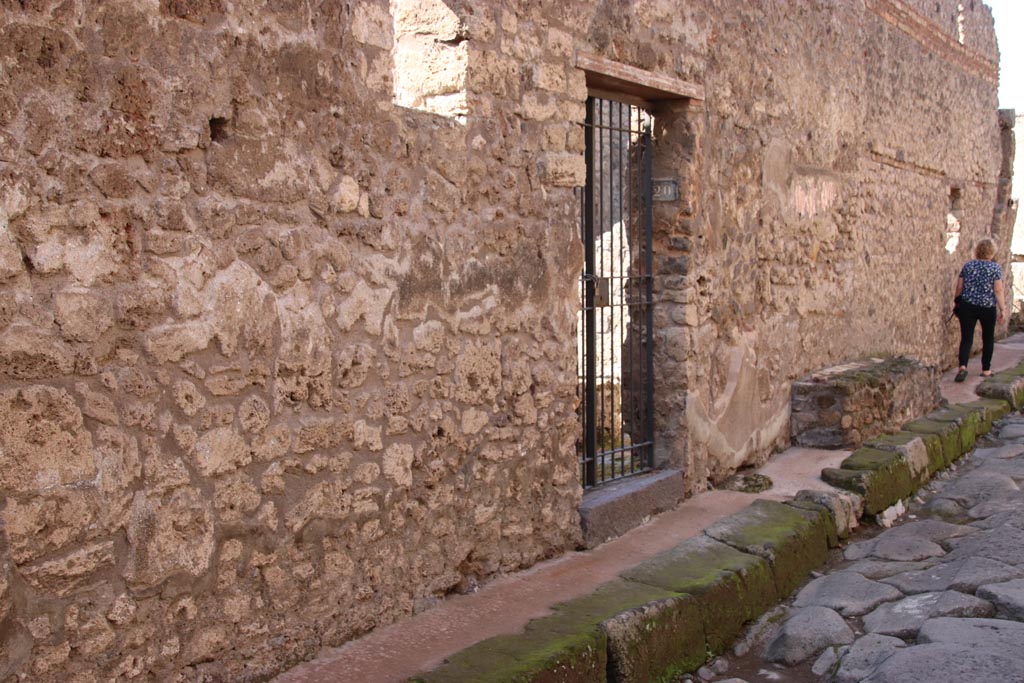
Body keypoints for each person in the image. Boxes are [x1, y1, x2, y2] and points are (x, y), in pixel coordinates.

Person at [953, 237, 1005, 382]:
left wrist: (957, 301)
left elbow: (959, 286)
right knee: (987, 338)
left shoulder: (968, 266)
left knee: (966, 338)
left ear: (977, 250)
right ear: (992, 252)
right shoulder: (995, 268)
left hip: (968, 306)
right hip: (987, 308)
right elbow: (998, 290)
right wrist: (1003, 308)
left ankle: (963, 366)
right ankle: (986, 370)